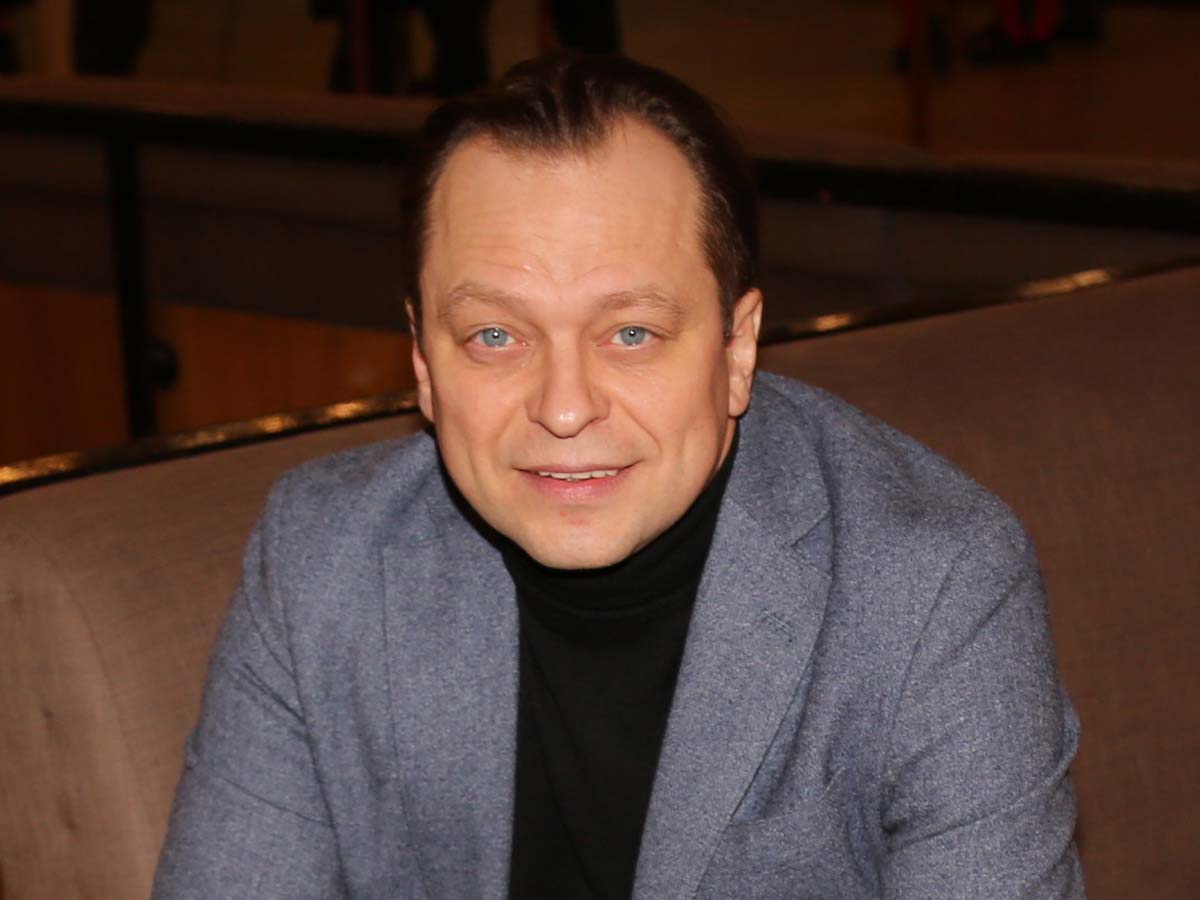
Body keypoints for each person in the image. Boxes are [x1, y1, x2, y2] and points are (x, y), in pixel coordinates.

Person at [153, 53, 1086, 899]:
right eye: (495, 335)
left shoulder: (933, 587)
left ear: (737, 348)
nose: (564, 408)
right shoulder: (322, 559)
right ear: (424, 362)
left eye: (631, 333)